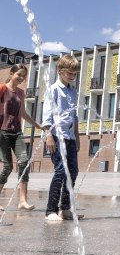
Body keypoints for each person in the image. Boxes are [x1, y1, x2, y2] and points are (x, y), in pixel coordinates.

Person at [42, 55, 82, 222]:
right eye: (69, 73)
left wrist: (77, 136)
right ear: (60, 71)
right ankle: (50, 210)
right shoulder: (53, 89)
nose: (72, 76)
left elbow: (74, 116)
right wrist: (48, 135)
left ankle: (65, 209)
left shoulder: (73, 91)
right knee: (60, 171)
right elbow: (47, 115)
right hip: (56, 136)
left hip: (70, 137)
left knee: (73, 171)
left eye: (74, 74)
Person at [0, 64, 43, 212]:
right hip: (2, 132)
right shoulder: (2, 89)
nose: (21, 77)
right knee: (7, 167)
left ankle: (22, 200)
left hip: (17, 132)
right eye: (19, 74)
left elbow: (22, 113)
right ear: (11, 73)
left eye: (23, 75)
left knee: (24, 162)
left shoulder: (21, 93)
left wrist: (37, 125)